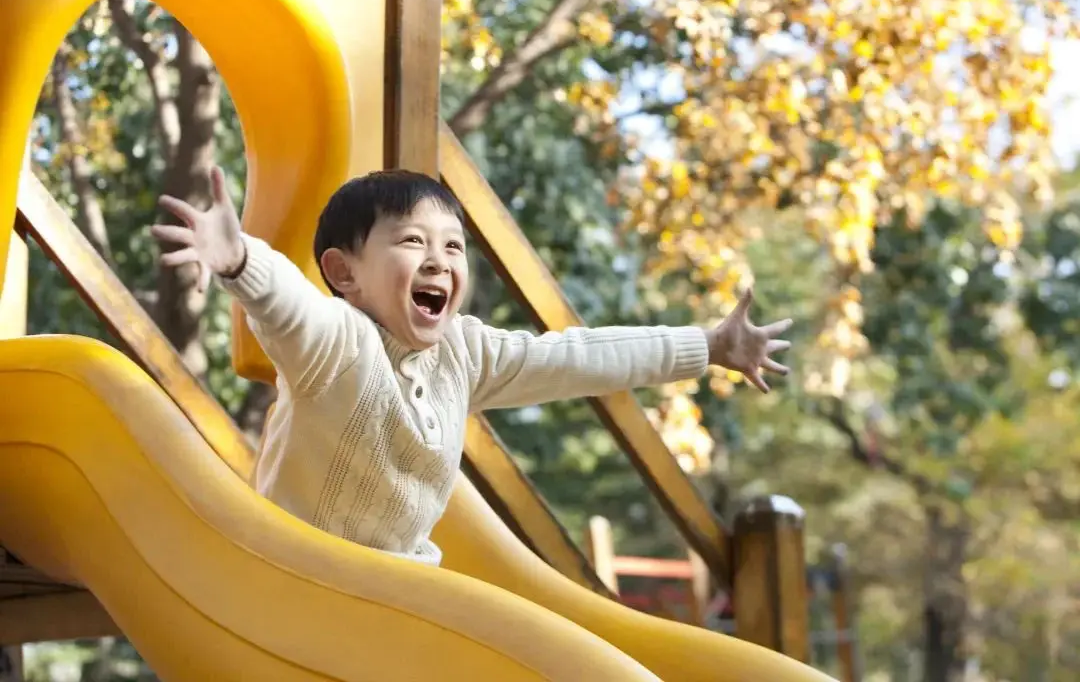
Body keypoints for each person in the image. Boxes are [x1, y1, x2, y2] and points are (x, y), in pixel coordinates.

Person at [151, 166, 793, 566]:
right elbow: (287, 305)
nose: (439, 261)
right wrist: (238, 260)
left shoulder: (464, 351)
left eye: (453, 247)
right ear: (344, 273)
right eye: (411, 241)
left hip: (405, 593)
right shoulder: (337, 344)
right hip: (299, 583)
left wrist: (704, 346)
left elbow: (577, 358)